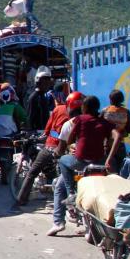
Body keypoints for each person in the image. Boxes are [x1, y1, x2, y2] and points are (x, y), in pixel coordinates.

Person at [15, 90, 77, 207]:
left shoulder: (58, 109)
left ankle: (20, 201)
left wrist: (48, 136)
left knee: (32, 172)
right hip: (72, 150)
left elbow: (49, 130)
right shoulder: (83, 117)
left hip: (53, 146)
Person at [58, 95, 121, 199]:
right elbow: (118, 136)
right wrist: (109, 159)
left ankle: (71, 193)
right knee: (114, 166)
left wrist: (73, 145)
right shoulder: (104, 122)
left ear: (85, 107)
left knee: (62, 160)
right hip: (100, 162)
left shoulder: (80, 119)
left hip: (80, 162)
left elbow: (69, 140)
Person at [48, 92, 85, 234]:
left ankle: (58, 222)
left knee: (59, 187)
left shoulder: (70, 124)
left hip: (76, 163)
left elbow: (60, 147)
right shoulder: (94, 120)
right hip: (96, 162)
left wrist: (56, 153)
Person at [0, 89, 28, 181]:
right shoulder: (14, 106)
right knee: (19, 143)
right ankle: (17, 160)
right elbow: (24, 117)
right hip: (10, 134)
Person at [102, 90, 130, 173]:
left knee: (107, 171)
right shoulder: (126, 112)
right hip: (120, 146)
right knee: (120, 171)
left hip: (106, 146)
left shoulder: (105, 111)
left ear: (110, 99)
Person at [26, 66, 53, 131]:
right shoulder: (34, 97)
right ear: (38, 83)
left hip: (44, 131)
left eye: (48, 81)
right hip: (38, 132)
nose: (47, 84)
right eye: (45, 82)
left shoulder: (43, 96)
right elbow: (30, 118)